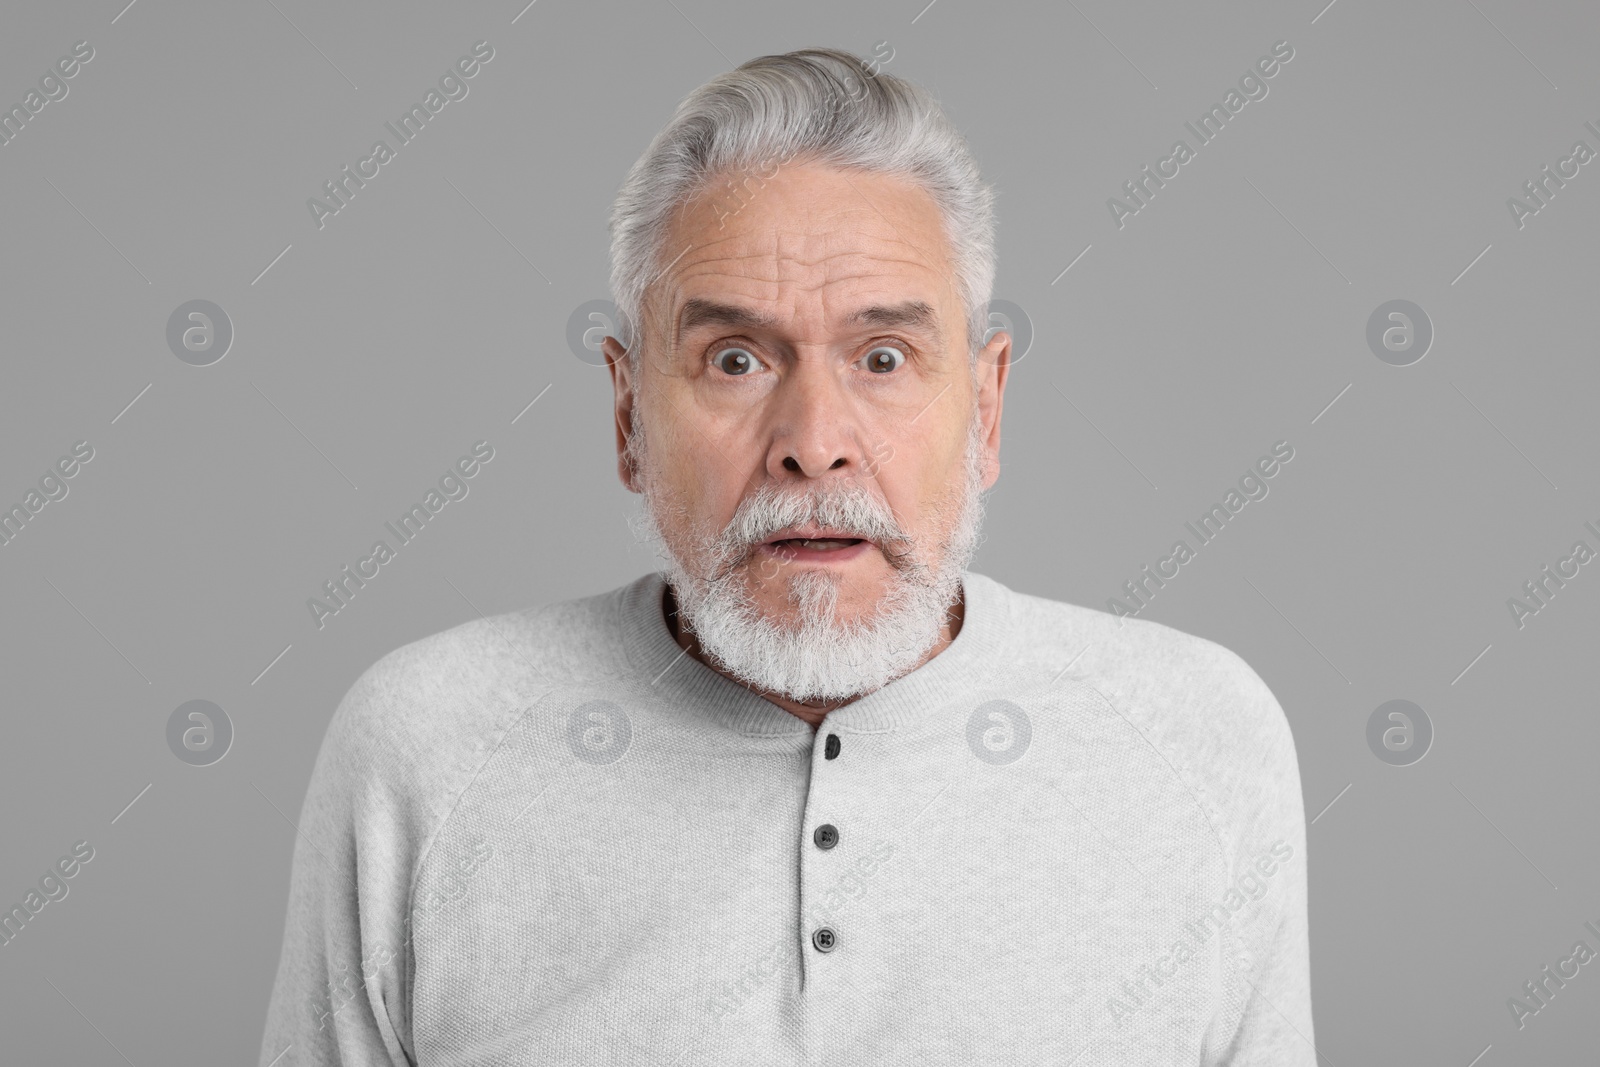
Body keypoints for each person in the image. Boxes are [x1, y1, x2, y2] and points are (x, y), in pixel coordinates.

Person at [259, 46, 1313, 1065]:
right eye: (734, 358)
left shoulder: (1197, 741)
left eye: (884, 357)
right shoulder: (428, 749)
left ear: (985, 409)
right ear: (628, 415)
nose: (814, 439)